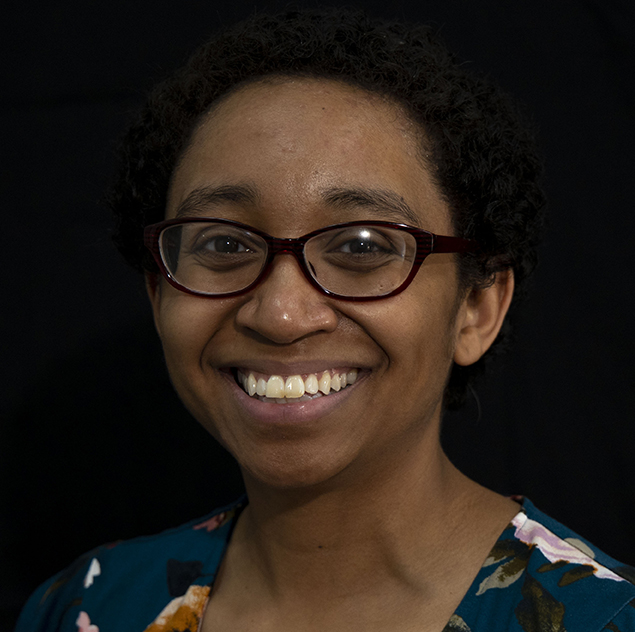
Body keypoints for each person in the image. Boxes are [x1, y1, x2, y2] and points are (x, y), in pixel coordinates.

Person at [15, 7, 635, 632]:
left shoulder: (603, 619)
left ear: (477, 308)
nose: (281, 314)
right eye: (224, 244)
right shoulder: (85, 608)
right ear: (159, 294)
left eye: (362, 246)